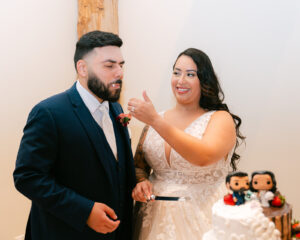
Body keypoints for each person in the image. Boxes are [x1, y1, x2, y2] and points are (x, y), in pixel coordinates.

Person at [13, 31, 136, 240]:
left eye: (121, 65)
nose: (119, 73)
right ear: (82, 68)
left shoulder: (116, 109)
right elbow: (27, 177)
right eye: (109, 65)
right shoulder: (49, 113)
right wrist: (85, 211)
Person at [128, 48, 245, 239]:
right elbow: (139, 166)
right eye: (176, 72)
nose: (180, 80)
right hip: (153, 220)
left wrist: (155, 121)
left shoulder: (220, 119)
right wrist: (141, 182)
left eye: (190, 74)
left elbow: (203, 157)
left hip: (202, 217)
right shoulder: (157, 118)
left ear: (204, 81)